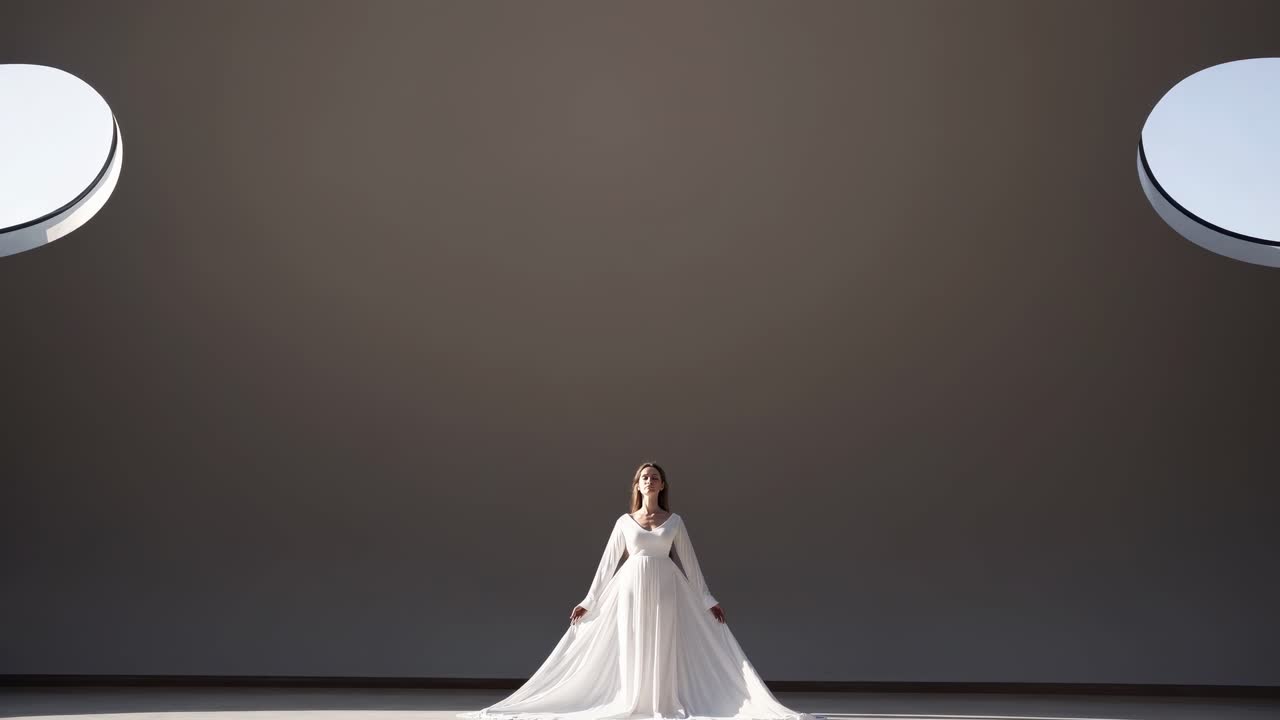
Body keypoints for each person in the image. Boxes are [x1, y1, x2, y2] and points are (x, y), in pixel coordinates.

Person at [457, 462, 818, 720]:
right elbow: (607, 565)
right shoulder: (624, 522)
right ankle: (633, 700)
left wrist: (708, 599)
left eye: (655, 477)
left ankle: (659, 702)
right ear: (638, 485)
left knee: (662, 641)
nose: (649, 480)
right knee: (632, 640)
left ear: (662, 486)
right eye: (644, 477)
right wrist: (589, 601)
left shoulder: (674, 522)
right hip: (629, 588)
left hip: (665, 586)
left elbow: (690, 564)